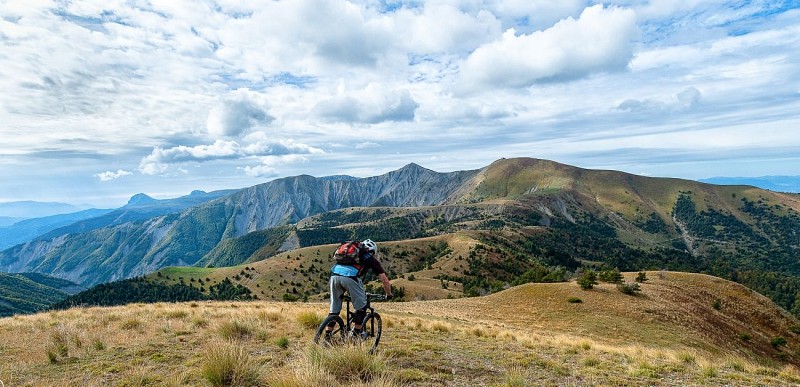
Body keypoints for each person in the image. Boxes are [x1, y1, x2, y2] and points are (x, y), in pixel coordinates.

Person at [327, 239, 393, 337]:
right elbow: (384, 280)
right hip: (351, 278)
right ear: (372, 251)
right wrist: (389, 294)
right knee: (361, 307)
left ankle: (327, 335)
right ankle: (355, 333)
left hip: (334, 277)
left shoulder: (348, 253)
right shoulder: (370, 258)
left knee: (334, 309)